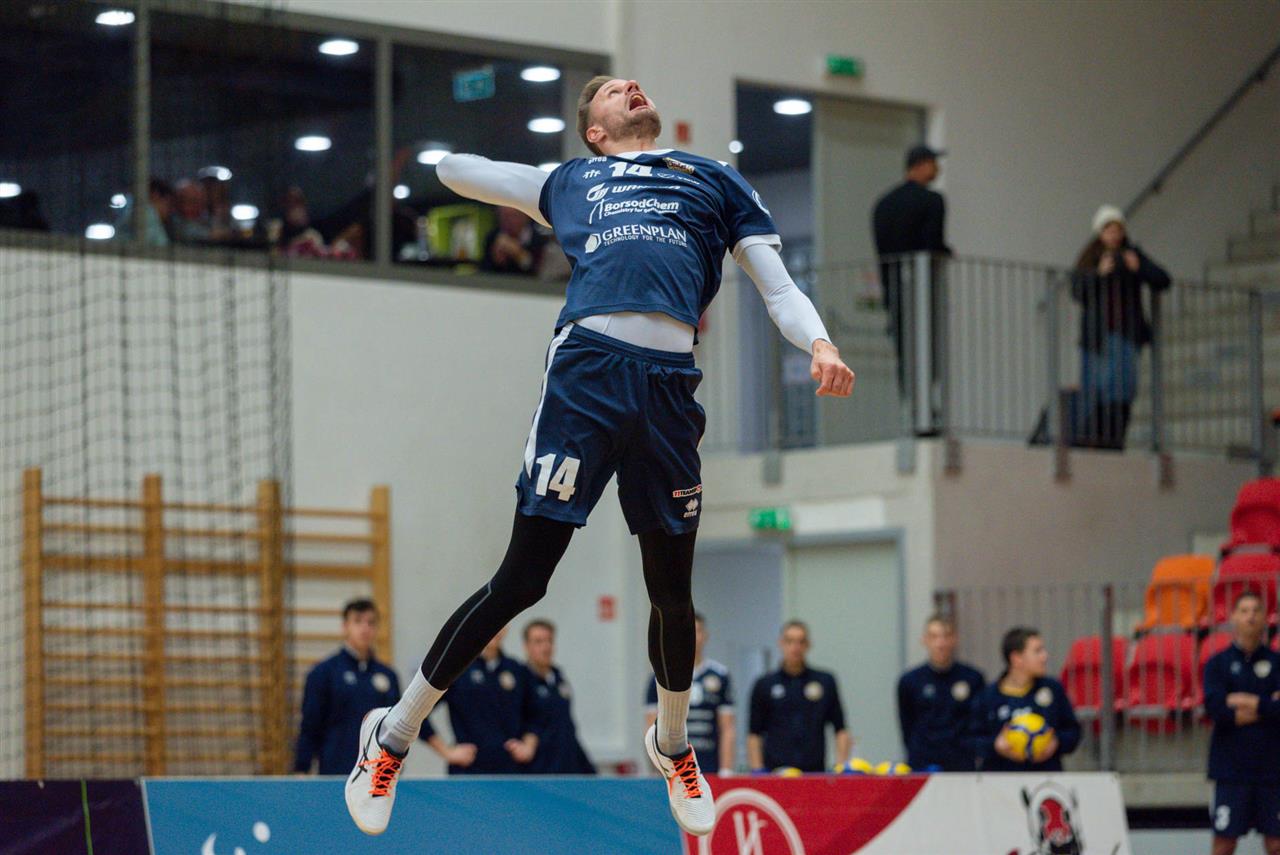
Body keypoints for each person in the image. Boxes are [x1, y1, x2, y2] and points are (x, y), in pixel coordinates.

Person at [343, 75, 854, 839]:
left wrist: (819, 342)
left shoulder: (714, 179)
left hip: (669, 386)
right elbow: (455, 170)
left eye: (632, 84)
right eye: (613, 91)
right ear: (596, 130)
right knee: (523, 579)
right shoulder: (573, 181)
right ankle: (391, 734)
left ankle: (672, 744)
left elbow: (777, 288)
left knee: (672, 591)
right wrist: (492, 171)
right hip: (588, 376)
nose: (631, 88)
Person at [1070, 206, 1170, 449]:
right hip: (1097, 337)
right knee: (1096, 392)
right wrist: (1099, 274)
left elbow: (1163, 279)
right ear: (1100, 232)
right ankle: (1093, 440)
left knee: (1122, 391)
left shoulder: (1131, 255)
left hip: (1126, 334)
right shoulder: (1091, 257)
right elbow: (1077, 291)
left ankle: (1114, 441)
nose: (1114, 235)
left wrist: (1138, 268)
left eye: (1118, 230)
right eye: (1109, 230)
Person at [871, 144, 950, 409]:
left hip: (894, 289)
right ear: (922, 164)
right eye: (933, 163)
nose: (937, 169)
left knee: (905, 352)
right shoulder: (932, 201)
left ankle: (911, 407)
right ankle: (927, 408)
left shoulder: (883, 205)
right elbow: (933, 243)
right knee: (928, 349)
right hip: (922, 288)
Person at [1203, 591, 1280, 855]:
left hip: (1272, 770)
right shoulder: (1217, 664)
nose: (1250, 616)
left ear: (1266, 618)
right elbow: (1217, 710)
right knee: (1224, 845)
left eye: (1256, 610)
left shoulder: (1277, 663)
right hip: (1231, 771)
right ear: (1233, 617)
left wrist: (1245, 701)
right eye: (1244, 610)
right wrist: (1266, 705)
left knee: (1276, 844)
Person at [294, 600, 400, 775]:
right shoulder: (323, 673)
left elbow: (397, 726)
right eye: (358, 621)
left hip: (378, 775)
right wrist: (301, 768)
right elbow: (310, 726)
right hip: (335, 772)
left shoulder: (388, 676)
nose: (365, 628)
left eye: (371, 622)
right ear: (345, 627)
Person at [418, 626, 541, 775]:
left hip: (510, 771)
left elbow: (535, 715)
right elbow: (418, 711)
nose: (495, 628)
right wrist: (447, 752)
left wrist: (528, 746)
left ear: (506, 628)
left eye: (500, 622)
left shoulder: (517, 670)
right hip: (468, 771)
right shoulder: (457, 668)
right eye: (490, 622)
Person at [970, 626, 1081, 772]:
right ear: (1017, 658)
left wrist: (1056, 742)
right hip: (1001, 778)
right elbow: (971, 740)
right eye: (1037, 651)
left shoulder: (1053, 689)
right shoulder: (988, 696)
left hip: (1045, 777)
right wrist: (995, 745)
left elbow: (1074, 731)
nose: (1045, 656)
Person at [747, 621, 851, 773]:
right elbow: (754, 734)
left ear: (808, 645)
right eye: (789, 641)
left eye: (801, 642)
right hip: (775, 773)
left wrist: (841, 767)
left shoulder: (825, 681)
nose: (795, 647)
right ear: (781, 643)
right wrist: (757, 770)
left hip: (814, 772)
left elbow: (841, 730)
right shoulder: (764, 684)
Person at [645, 612, 736, 776]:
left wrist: (726, 770)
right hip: (674, 767)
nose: (693, 637)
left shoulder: (720, 675)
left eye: (697, 631)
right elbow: (652, 727)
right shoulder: (660, 676)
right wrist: (659, 770)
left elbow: (727, 727)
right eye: (687, 632)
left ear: (705, 636)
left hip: (710, 765)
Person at [896, 614, 985, 771]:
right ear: (924, 640)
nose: (940, 643)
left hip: (961, 763)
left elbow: (978, 722)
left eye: (946, 636)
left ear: (955, 639)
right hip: (922, 762)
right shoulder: (910, 681)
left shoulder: (973, 678)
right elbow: (907, 725)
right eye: (934, 637)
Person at [522, 619, 595, 774]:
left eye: (549, 641)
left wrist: (588, 769)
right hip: (538, 770)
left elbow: (567, 725)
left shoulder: (558, 677)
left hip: (567, 765)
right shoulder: (520, 680)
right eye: (538, 642)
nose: (546, 647)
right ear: (526, 646)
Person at [481, 206, 547, 275]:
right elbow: (484, 272)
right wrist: (495, 259)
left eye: (513, 216)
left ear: (525, 216)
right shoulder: (493, 237)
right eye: (504, 216)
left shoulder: (538, 240)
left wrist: (520, 255)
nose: (508, 221)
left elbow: (540, 273)